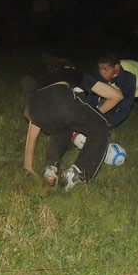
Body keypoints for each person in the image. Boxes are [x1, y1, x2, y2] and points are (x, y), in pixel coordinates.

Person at [23, 59, 123, 189]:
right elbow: (116, 96)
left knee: (62, 127)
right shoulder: (71, 72)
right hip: (60, 99)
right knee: (101, 127)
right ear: (68, 68)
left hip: (31, 107)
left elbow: (32, 136)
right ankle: (78, 173)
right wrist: (96, 116)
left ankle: (51, 169)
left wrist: (28, 166)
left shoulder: (41, 83)